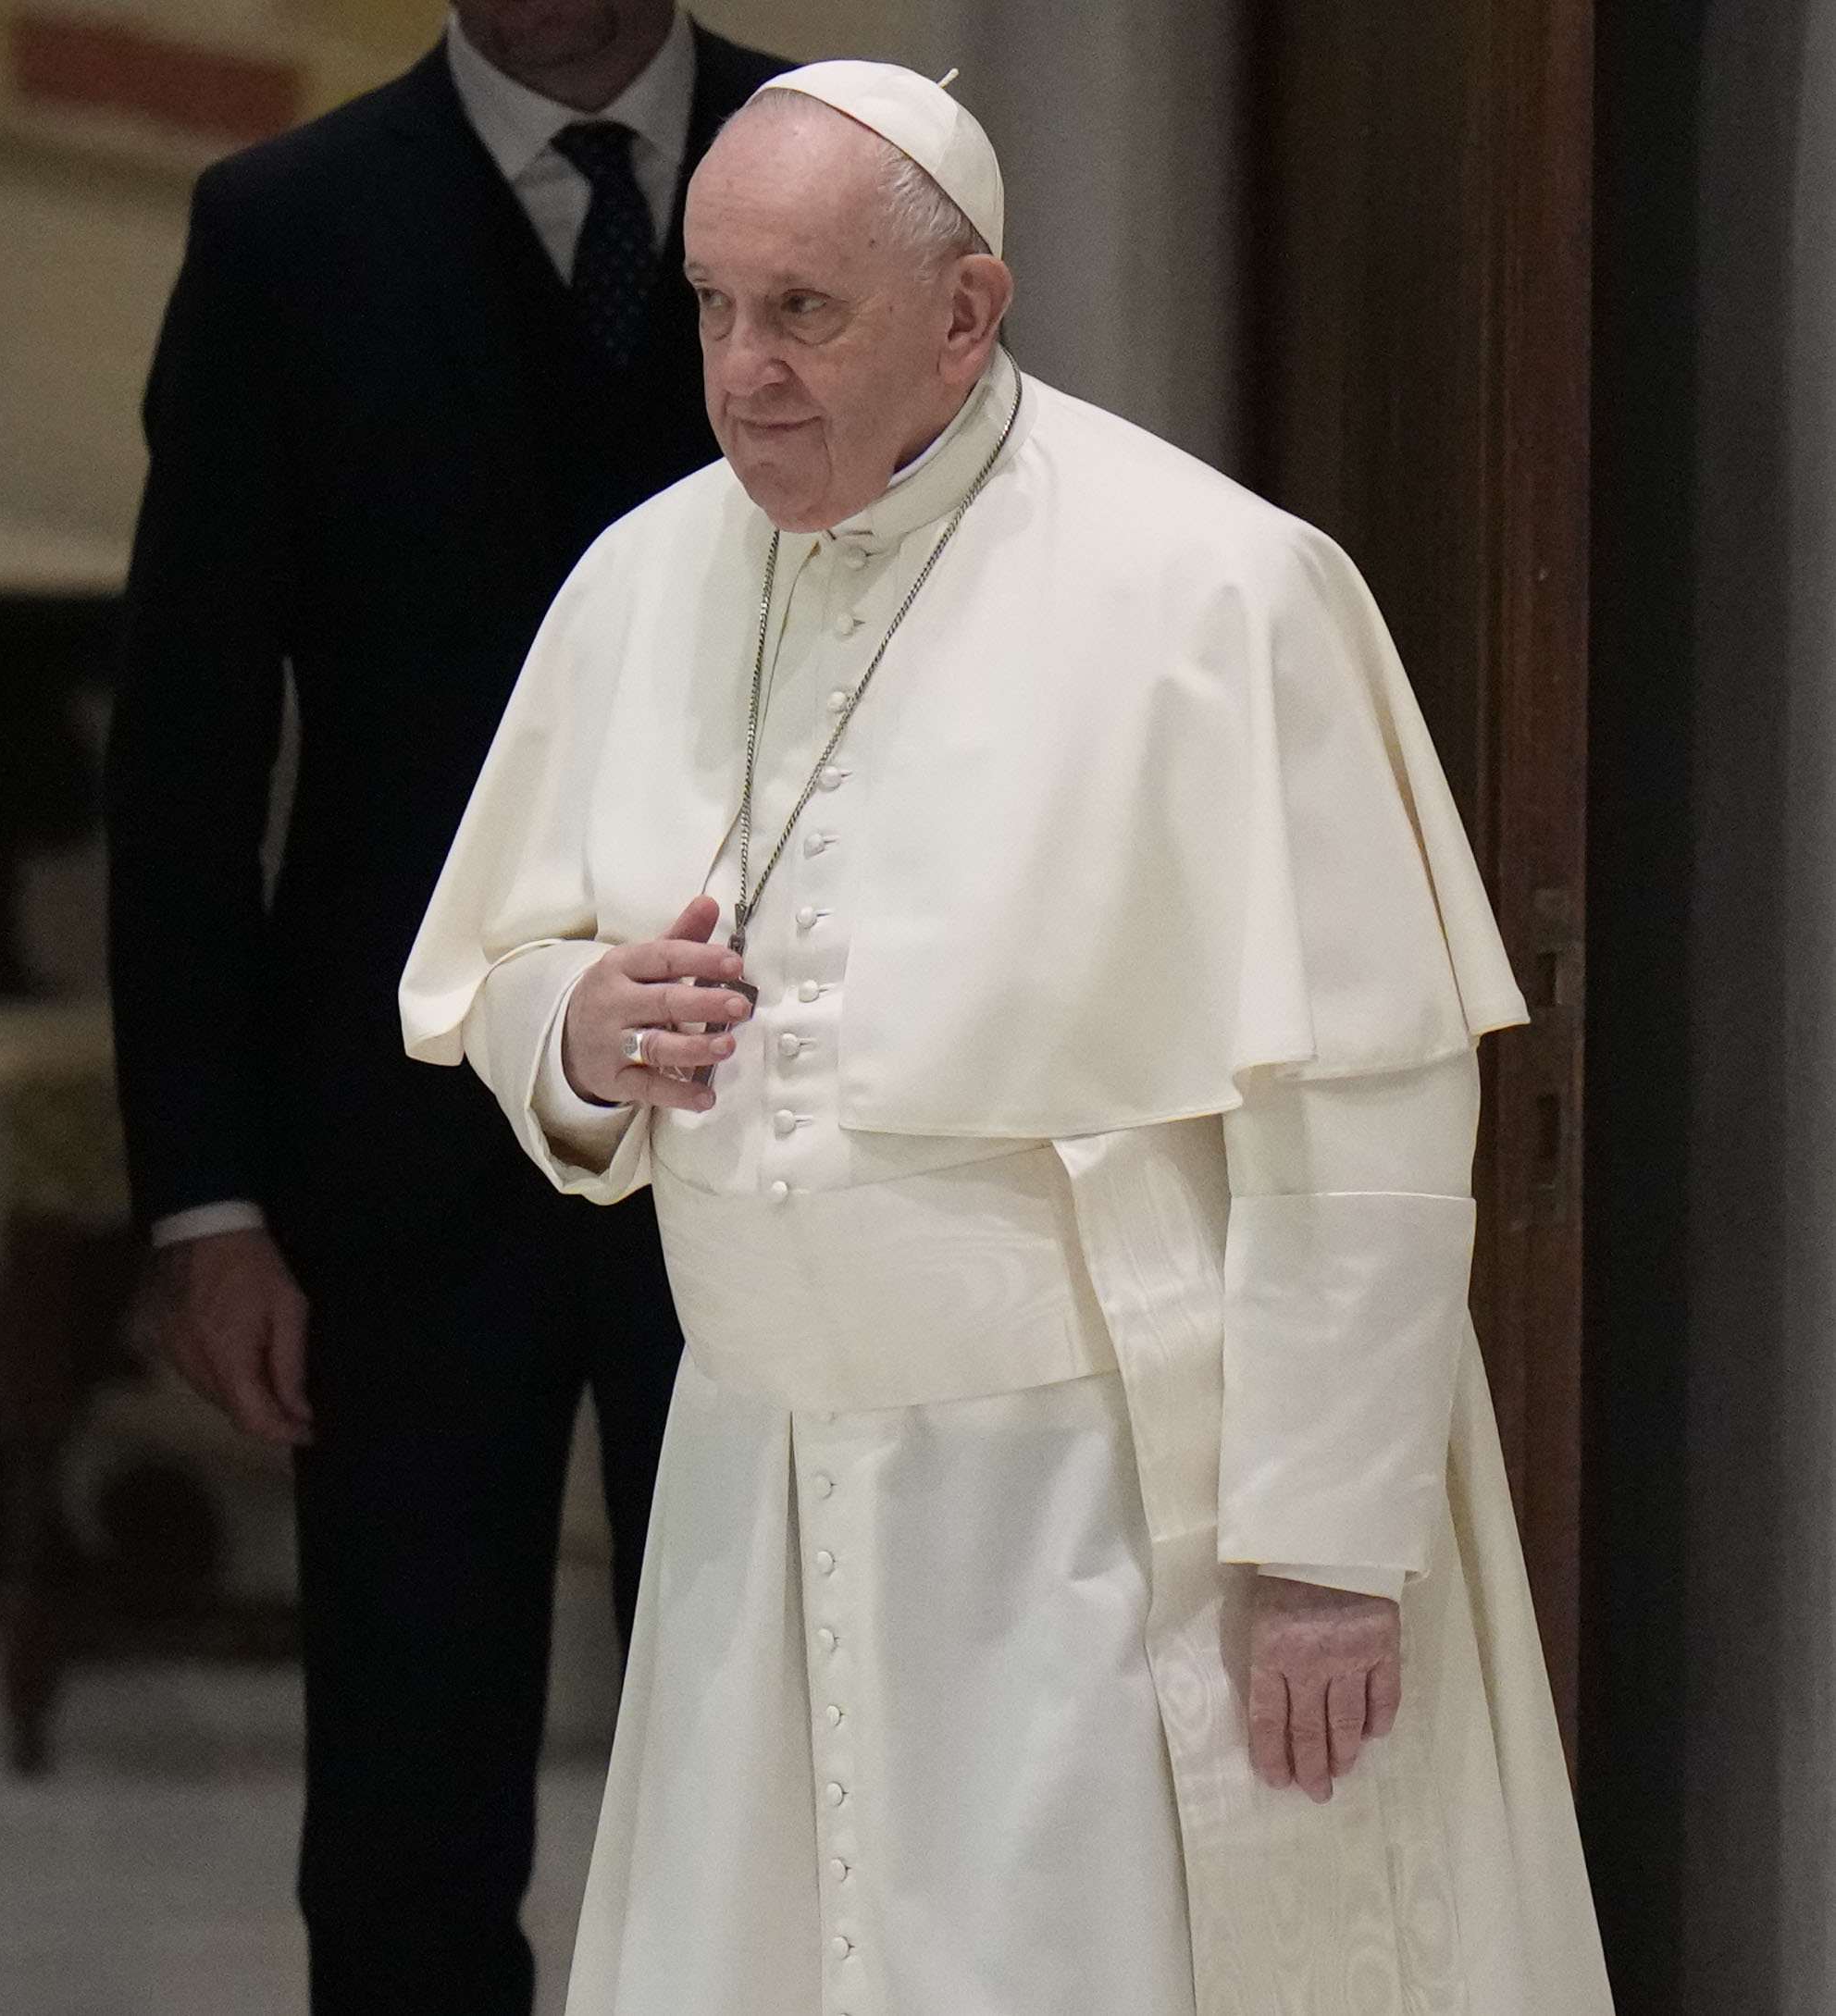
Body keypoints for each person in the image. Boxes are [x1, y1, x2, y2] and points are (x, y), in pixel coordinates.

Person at [403, 62, 1614, 2016]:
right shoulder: (641, 579)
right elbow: (507, 970)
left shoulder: (1213, 588)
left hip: (1103, 1495)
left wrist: (1320, 1542)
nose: (739, 369)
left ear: (965, 311)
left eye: (801, 309)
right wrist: (577, 1028)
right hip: (759, 1478)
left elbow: (1363, 1100)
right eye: (713, 306)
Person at [106, 5, 782, 2006]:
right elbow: (188, 755)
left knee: (782, 1767)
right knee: (405, 1815)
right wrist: (204, 1198)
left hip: (767, 1113)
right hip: (394, 1151)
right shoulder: (286, 229)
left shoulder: (827, 162)